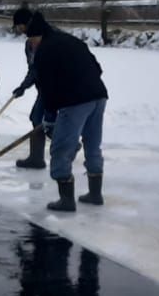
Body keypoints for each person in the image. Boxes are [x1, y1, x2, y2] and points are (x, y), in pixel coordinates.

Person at [27, 11, 108, 211]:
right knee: (92, 145)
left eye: (31, 40)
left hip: (75, 102)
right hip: (99, 95)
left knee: (60, 149)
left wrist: (50, 117)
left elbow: (47, 89)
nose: (31, 45)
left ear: (37, 36)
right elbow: (97, 68)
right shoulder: (71, 40)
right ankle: (95, 195)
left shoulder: (44, 51)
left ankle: (66, 200)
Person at [11, 8, 46, 169]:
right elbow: (33, 69)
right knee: (37, 118)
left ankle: (70, 143)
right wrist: (23, 87)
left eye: (19, 26)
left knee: (41, 119)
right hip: (44, 88)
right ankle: (36, 159)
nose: (18, 30)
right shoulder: (28, 45)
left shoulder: (48, 41)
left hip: (57, 88)